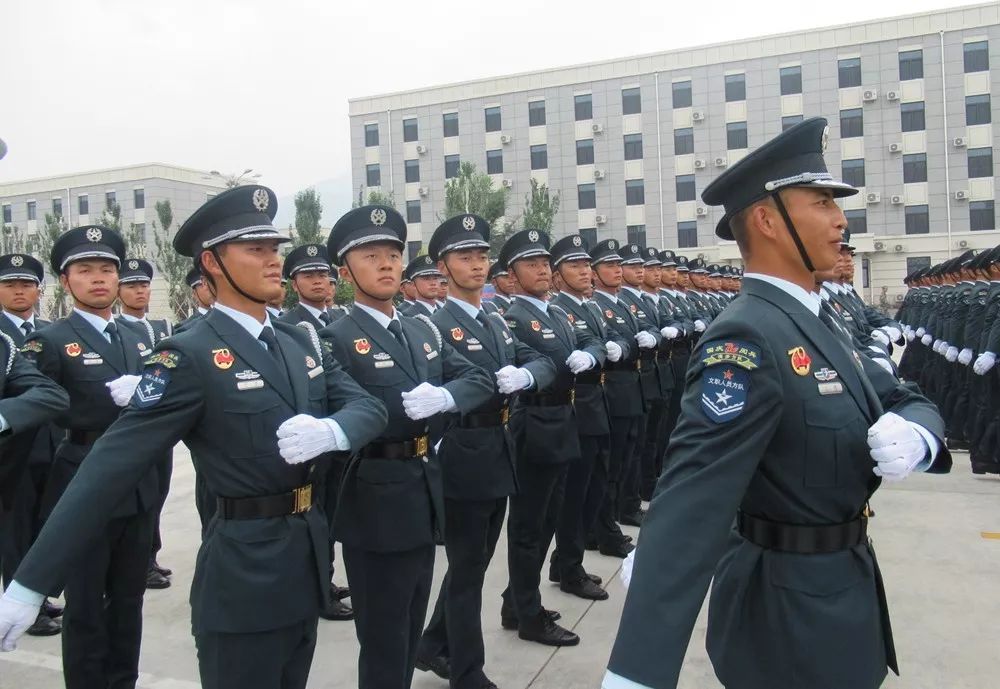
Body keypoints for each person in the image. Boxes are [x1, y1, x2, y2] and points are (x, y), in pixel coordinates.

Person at [604, 117, 951, 689]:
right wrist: (636, 672)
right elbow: (695, 499)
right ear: (767, 220)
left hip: (844, 593)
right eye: (820, 202)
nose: (840, 219)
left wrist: (920, 432)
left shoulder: (822, 317)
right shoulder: (747, 336)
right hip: (786, 618)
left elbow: (902, 395)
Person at [0, 186, 388, 689]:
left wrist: (334, 429)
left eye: (274, 249)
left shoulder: (298, 340)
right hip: (244, 567)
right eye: (256, 250)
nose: (274, 261)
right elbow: (107, 468)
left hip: (304, 556)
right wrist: (30, 583)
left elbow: (368, 406)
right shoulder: (187, 356)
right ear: (213, 262)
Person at [318, 204, 493, 689]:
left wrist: (447, 395)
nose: (387, 264)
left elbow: (477, 377)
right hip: (373, 497)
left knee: (413, 619)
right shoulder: (334, 337)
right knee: (383, 635)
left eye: (393, 254)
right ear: (345, 270)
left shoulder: (422, 328)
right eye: (370, 255)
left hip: (422, 489)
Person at [4, 225, 162, 689]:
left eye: (107, 269)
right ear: (65, 281)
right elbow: (35, 397)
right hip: (82, 477)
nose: (99, 278)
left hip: (138, 481)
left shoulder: (138, 337)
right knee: (88, 604)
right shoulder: (50, 341)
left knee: (129, 601)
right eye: (85, 270)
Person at [416, 214, 556, 689]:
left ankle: (433, 644)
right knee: (469, 567)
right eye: (464, 257)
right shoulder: (435, 325)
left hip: (499, 446)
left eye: (481, 256)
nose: (476, 265)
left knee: (471, 562)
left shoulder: (494, 319)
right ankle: (466, 670)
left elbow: (538, 357)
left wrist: (529, 375)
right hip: (463, 451)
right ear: (442, 266)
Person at [498, 229, 605, 646]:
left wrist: (592, 354)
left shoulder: (556, 312)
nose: (542, 270)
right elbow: (535, 367)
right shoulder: (511, 318)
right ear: (511, 274)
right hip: (536, 422)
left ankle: (516, 601)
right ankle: (528, 613)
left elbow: (591, 340)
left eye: (545, 263)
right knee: (529, 525)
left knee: (548, 519)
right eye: (531, 264)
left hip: (564, 419)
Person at [0, 252, 66, 636]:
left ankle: (38, 596)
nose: (20, 291)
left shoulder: (47, 330)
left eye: (26, 284)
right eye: (10, 284)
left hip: (51, 444)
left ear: (39, 291)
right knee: (16, 529)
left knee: (45, 523)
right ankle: (17, 597)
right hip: (14, 452)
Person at [547, 235, 617, 599]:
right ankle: (570, 567)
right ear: (557, 276)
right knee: (575, 492)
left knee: (593, 485)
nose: (584, 271)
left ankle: (566, 559)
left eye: (586, 265)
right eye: (574, 266)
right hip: (578, 406)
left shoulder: (586, 305)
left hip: (596, 402)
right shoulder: (560, 309)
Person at [115, 258, 173, 591]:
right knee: (137, 498)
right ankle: (140, 561)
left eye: (144, 285)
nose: (140, 291)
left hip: (161, 428)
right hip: (134, 427)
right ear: (119, 291)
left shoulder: (162, 327)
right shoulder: (119, 329)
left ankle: (151, 555)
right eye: (132, 285)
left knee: (158, 494)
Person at [280, 244, 336, 330]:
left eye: (322, 275)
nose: (317, 281)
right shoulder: (284, 326)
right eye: (308, 276)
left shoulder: (343, 317)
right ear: (294, 285)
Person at [174, 265, 214, 333]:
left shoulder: (227, 318)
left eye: (212, 283)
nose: (209, 287)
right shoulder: (186, 328)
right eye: (203, 284)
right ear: (194, 293)